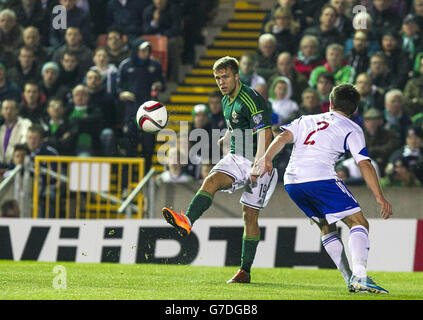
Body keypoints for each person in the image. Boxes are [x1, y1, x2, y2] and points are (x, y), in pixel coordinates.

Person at [252, 83, 392, 293]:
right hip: (319, 177)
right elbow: (363, 163)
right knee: (358, 222)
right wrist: (380, 197)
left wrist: (266, 158)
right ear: (355, 109)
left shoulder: (306, 119)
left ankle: (350, 279)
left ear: (330, 103)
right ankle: (360, 276)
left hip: (292, 182)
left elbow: (282, 137)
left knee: (326, 226)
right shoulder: (352, 128)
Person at [162, 56, 278, 284]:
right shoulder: (226, 100)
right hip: (237, 156)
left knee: (250, 216)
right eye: (217, 78)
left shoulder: (251, 99)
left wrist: (260, 162)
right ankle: (187, 221)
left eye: (225, 76)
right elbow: (235, 124)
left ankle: (245, 270)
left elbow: (266, 133)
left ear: (237, 76)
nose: (221, 82)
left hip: (259, 160)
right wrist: (226, 136)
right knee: (211, 180)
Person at [117, 38, 165, 170]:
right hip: (131, 110)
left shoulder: (155, 65)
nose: (146, 53)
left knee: (148, 148)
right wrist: (122, 93)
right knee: (129, 148)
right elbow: (118, 87)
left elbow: (162, 83)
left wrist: (159, 85)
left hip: (150, 112)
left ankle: (146, 181)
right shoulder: (126, 65)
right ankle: (127, 183)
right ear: (136, 50)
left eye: (148, 50)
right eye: (143, 50)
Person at [0, 99, 32, 167]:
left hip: (18, 165)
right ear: (1, 111)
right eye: (6, 109)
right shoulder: (1, 128)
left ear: (17, 110)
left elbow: (24, 144)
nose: (8, 111)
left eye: (11, 108)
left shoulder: (26, 124)